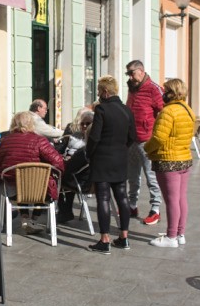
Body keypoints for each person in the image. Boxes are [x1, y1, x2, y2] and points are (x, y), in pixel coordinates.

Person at [86, 76, 137, 254]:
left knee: (103, 198)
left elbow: (95, 137)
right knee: (122, 196)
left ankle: (105, 239)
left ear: (106, 92)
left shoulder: (102, 109)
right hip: (120, 158)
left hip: (102, 159)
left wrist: (89, 153)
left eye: (99, 91)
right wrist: (121, 148)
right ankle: (124, 237)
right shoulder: (126, 110)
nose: (98, 95)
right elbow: (132, 136)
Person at [144, 79, 196, 249]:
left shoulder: (168, 111)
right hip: (184, 158)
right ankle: (180, 234)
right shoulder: (187, 109)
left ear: (172, 93)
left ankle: (171, 236)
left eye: (165, 91)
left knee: (171, 200)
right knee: (181, 198)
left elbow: (159, 137)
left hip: (168, 160)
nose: (163, 94)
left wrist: (147, 148)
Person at [0, 111, 65, 234]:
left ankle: (25, 218)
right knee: (43, 181)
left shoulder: (4, 141)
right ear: (31, 124)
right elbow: (58, 161)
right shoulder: (39, 140)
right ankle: (33, 219)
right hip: (38, 191)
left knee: (20, 180)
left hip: (11, 190)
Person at [125, 60, 164, 226]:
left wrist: (156, 134)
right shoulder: (132, 88)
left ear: (141, 71)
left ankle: (155, 209)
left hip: (147, 140)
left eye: (132, 73)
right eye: (128, 74)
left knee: (151, 176)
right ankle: (132, 205)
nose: (130, 77)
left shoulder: (154, 89)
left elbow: (164, 112)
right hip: (131, 140)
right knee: (132, 176)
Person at [57, 110, 94, 223]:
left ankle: (65, 212)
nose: (84, 126)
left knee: (56, 179)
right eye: (82, 123)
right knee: (64, 176)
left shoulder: (90, 143)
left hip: (83, 179)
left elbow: (75, 164)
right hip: (76, 172)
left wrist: (68, 160)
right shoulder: (74, 135)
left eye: (88, 124)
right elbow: (62, 149)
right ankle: (65, 211)